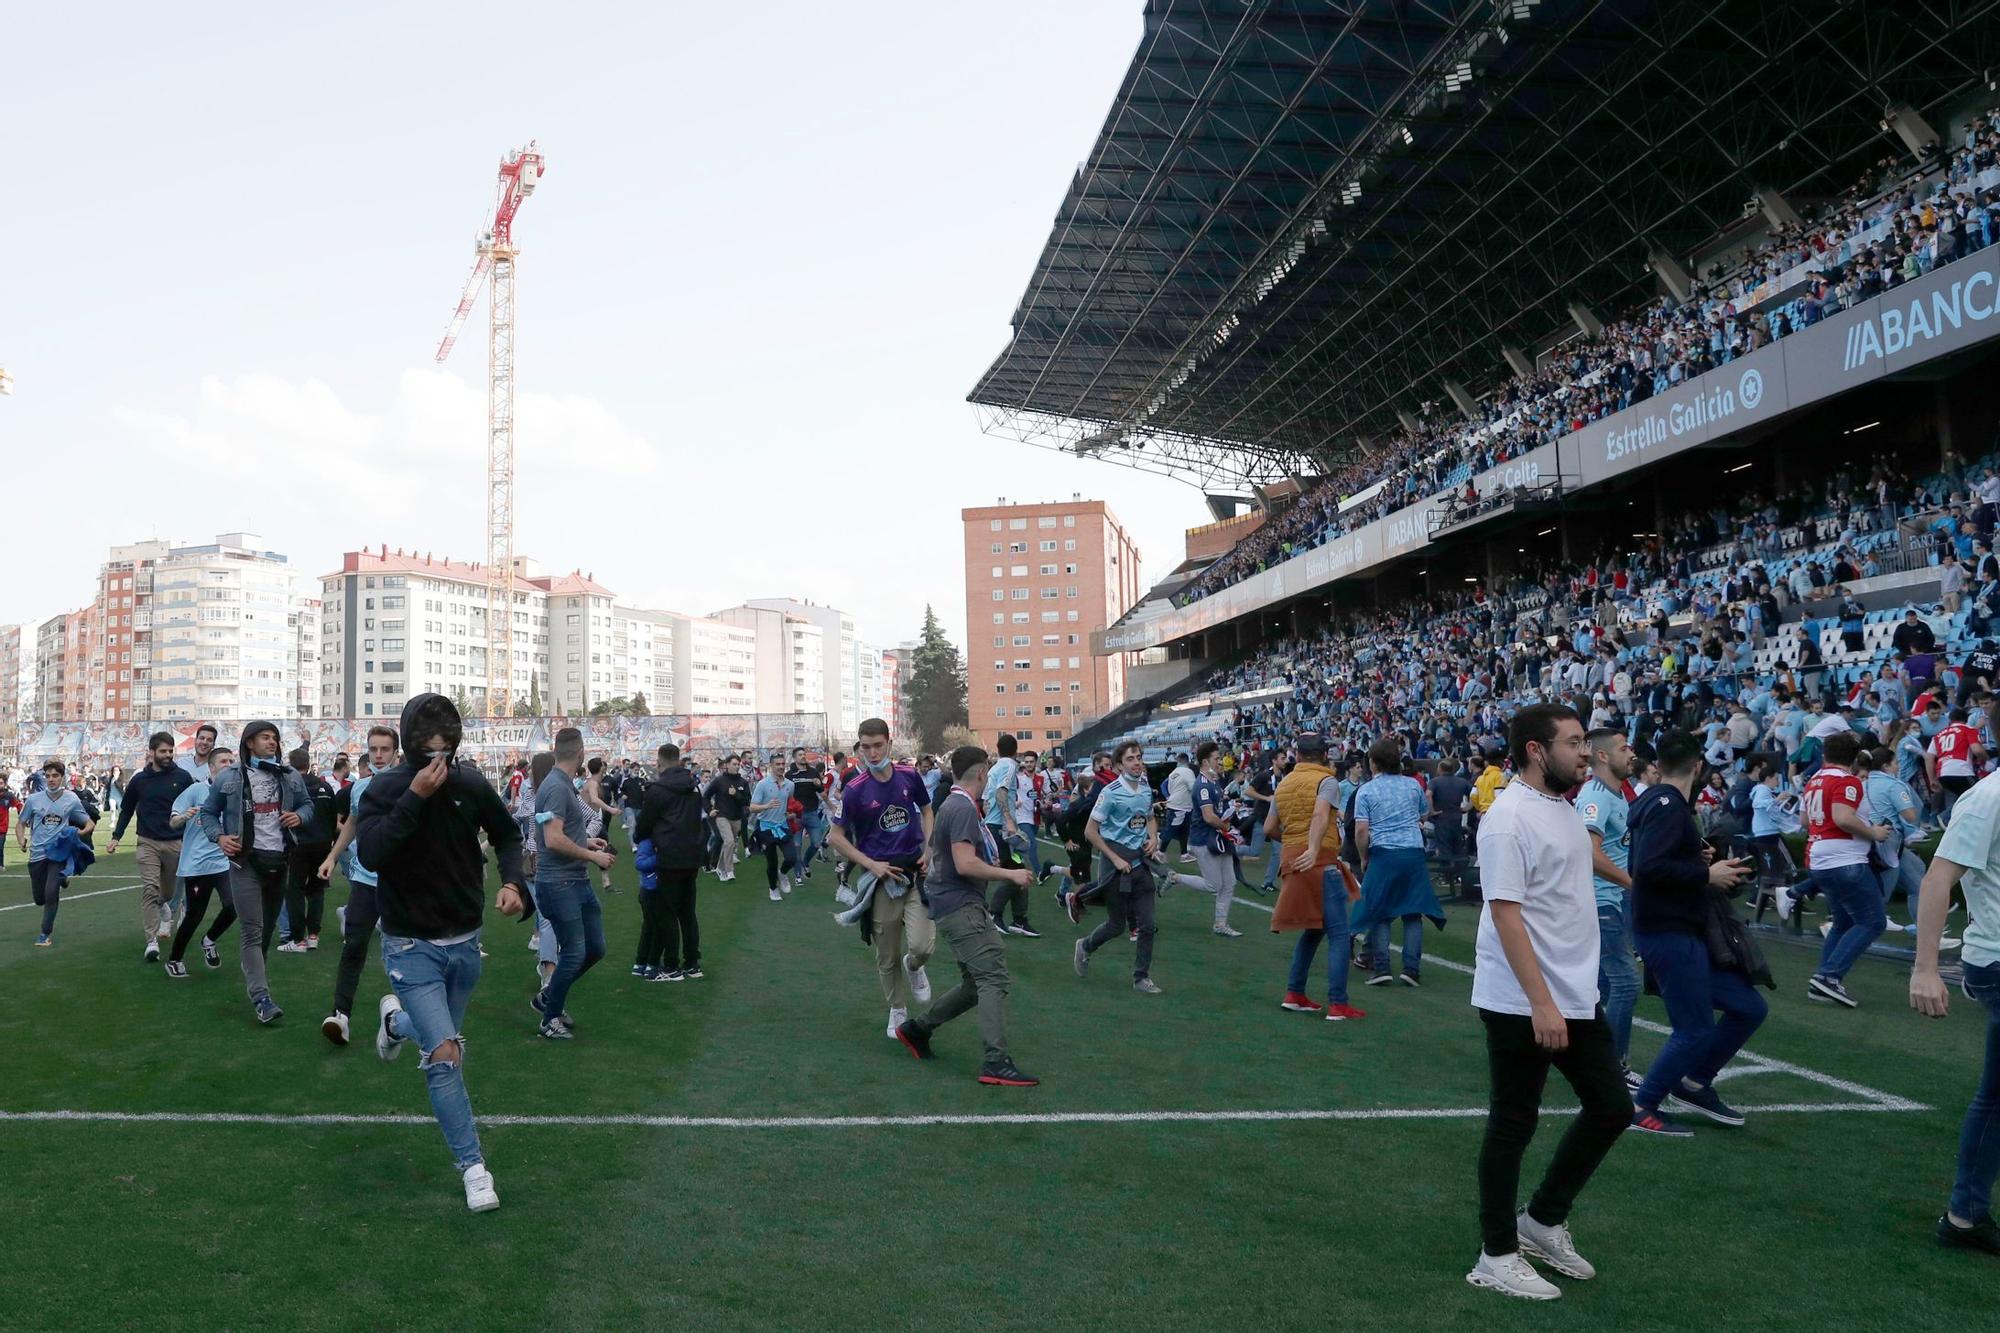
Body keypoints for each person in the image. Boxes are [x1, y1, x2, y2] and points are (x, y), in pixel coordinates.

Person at [1466, 704, 1632, 1302]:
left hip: (1573, 993)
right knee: (1514, 1120)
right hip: (1521, 998)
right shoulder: (1508, 817)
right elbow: (1504, 914)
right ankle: (1496, 1254)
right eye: (1575, 742)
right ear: (1537, 750)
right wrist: (1541, 1005)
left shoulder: (1561, 808)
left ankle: (1540, 1219)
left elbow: (1582, 864)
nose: (1586, 752)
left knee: (1612, 1107)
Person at [355, 692, 530, 1213]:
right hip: (410, 946)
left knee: (438, 1037)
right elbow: (373, 853)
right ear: (410, 747)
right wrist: (413, 795)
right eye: (428, 752)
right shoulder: (383, 789)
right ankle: (474, 1169)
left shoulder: (471, 784)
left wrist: (516, 884)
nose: (438, 762)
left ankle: (394, 1025)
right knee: (446, 1057)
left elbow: (507, 835)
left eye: (446, 752)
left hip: (466, 943)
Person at [1626, 732, 1761, 1137]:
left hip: (1678, 929)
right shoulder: (1668, 805)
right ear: (1699, 766)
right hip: (1668, 930)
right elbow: (1649, 869)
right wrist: (1707, 873)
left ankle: (1694, 1083)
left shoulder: (1659, 801)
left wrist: (1697, 860)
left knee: (1749, 1007)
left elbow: (1656, 860)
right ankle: (1642, 1105)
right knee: (1695, 1029)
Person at [891, 744, 1038, 1086]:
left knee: (975, 984)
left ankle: (916, 1029)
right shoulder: (961, 807)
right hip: (960, 905)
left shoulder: (956, 804)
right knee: (993, 979)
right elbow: (964, 862)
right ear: (983, 772)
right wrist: (1010, 875)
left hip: (954, 902)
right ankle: (995, 1061)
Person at [1909, 769, 2000, 1255]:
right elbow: (1937, 877)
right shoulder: (1989, 797)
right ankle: (1964, 1214)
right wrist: (1925, 968)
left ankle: (1965, 1216)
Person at [197, 721, 313, 1024]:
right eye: (265, 737)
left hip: (279, 861)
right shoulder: (230, 777)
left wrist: (298, 817)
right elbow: (208, 813)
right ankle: (262, 998)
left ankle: (254, 977)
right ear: (250, 743)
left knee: (267, 931)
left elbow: (308, 806)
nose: (272, 742)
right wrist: (220, 837)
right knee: (252, 930)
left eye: (275, 738)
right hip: (245, 862)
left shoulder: (289, 776)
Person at [827, 718, 936, 1038]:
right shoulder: (855, 790)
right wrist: (871, 864)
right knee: (886, 954)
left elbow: (927, 810)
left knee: (922, 946)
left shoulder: (909, 776)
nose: (872, 753)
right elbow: (836, 836)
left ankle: (915, 966)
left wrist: (928, 849)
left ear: (889, 743)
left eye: (878, 746)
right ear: (859, 748)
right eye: (866, 747)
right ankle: (897, 1009)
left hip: (915, 873)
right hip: (881, 880)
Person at [1269, 732, 1364, 1021]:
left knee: (1314, 928)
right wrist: (1311, 847)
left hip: (1292, 858)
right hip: (1320, 859)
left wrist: (1293, 844)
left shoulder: (1284, 783)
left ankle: (1295, 993)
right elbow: (1321, 815)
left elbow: (1269, 828)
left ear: (1297, 755)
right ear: (1324, 755)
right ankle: (1338, 1003)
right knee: (1338, 933)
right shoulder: (1327, 781)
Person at [530, 727, 616, 1038]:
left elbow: (553, 833)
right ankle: (549, 1019)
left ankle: (548, 997)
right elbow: (552, 840)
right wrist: (592, 857)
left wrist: (586, 842)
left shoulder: (560, 784)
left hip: (574, 881)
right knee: (576, 952)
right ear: (580, 753)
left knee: (595, 948)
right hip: (559, 883)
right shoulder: (555, 787)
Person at [316, 726, 397, 1043]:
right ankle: (340, 1016)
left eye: (385, 749)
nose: (378, 755)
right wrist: (332, 857)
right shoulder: (360, 787)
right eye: (374, 749)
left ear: (395, 752)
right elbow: (351, 823)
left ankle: (400, 1016)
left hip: (401, 883)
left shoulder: (410, 784)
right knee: (354, 946)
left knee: (403, 950)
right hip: (365, 879)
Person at [1802, 730, 1894, 1008]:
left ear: (1824, 754)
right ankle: (1829, 976)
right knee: (1873, 921)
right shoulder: (1848, 781)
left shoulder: (1814, 780)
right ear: (1854, 757)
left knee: (1843, 922)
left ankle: (1824, 977)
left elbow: (1805, 821)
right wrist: (1874, 833)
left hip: (1820, 858)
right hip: (1845, 859)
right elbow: (1843, 818)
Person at [1349, 736, 1444, 987]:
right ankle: (1411, 970)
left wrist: (1363, 856)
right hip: (1412, 852)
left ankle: (1381, 967)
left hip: (1384, 852)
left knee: (1380, 911)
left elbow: (1361, 830)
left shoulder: (1366, 790)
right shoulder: (1412, 785)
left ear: (1373, 762)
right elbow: (1424, 813)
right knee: (1412, 911)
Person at [1576, 729, 1639, 1086]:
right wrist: (1632, 883)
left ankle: (1588, 1058)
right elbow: (1590, 851)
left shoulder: (1617, 795)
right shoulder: (1596, 796)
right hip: (1600, 900)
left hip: (1612, 899)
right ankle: (1612, 1067)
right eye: (1623, 747)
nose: (1631, 753)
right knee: (1626, 982)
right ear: (1602, 756)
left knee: (1598, 987)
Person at [1077, 740, 1165, 994]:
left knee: (1147, 925)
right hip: (1115, 865)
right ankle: (1085, 946)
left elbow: (1150, 819)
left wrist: (1154, 838)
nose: (1136, 762)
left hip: (1139, 865)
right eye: (1130, 759)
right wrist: (1114, 858)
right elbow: (1090, 832)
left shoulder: (1146, 787)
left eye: (1138, 757)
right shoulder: (1110, 792)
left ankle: (1141, 977)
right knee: (1117, 925)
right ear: (1118, 766)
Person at [106, 730, 194, 962]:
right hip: (147, 841)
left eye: (170, 751)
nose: (167, 755)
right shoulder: (139, 780)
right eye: (163, 751)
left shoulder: (183, 778)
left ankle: (165, 905)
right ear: (152, 752)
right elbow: (126, 811)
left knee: (167, 893)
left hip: (174, 842)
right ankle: (151, 941)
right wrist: (116, 837)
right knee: (149, 889)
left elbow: (192, 808)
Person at [633, 743, 705, 983]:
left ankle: (672, 966)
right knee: (687, 912)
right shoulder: (694, 787)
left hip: (668, 857)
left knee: (666, 913)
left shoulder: (658, 790)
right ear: (679, 760)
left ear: (659, 762)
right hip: (692, 856)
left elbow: (643, 825)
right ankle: (692, 963)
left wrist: (641, 838)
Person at [165, 747, 237, 976]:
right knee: (194, 916)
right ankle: (174, 959)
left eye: (232, 761)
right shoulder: (196, 790)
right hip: (197, 865)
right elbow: (173, 821)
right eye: (224, 761)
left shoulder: (236, 792)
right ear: (212, 767)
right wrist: (184, 817)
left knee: (234, 906)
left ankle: (209, 940)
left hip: (224, 862)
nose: (229, 764)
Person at [19, 759, 95, 947]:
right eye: (48, 776)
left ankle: (45, 933)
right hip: (37, 854)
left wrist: (79, 832)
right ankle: (63, 879)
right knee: (40, 898)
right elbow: (20, 823)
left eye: (55, 776)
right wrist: (21, 840)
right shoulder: (33, 800)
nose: (51, 779)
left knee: (51, 892)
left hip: (59, 852)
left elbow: (88, 823)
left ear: (62, 777)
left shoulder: (71, 799)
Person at [278, 748, 338, 953]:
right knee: (316, 889)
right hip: (322, 844)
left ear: (290, 764)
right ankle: (313, 935)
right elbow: (333, 819)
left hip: (298, 845)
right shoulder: (324, 786)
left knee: (294, 890)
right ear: (309, 762)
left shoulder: (290, 787)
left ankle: (298, 939)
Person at [982, 734, 1037, 935]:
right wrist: (1009, 820)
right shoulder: (1010, 765)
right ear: (1016, 750)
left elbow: (987, 800)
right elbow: (1001, 792)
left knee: (1020, 870)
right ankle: (995, 914)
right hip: (1002, 829)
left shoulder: (993, 767)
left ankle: (1018, 919)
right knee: (1017, 873)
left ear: (997, 749)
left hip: (993, 826)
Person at [1187, 742, 1242, 936]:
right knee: (1213, 885)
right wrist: (1227, 827)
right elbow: (1209, 816)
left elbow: (1217, 812)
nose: (1220, 762)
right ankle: (1175, 877)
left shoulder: (1213, 781)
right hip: (1205, 839)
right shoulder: (1202, 785)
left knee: (1230, 882)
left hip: (1217, 838)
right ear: (1205, 762)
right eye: (1217, 759)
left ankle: (1220, 924)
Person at [749, 754, 798, 902]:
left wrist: (790, 813)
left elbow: (790, 802)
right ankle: (773, 889)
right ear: (771, 765)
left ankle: (782, 874)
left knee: (791, 857)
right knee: (772, 862)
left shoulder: (790, 784)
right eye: (778, 764)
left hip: (782, 826)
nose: (781, 767)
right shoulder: (762, 784)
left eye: (783, 764)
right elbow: (752, 808)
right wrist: (767, 806)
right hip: (766, 829)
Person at [703, 754, 751, 883]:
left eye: (737, 764)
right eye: (734, 764)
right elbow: (705, 796)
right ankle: (729, 870)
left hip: (737, 817)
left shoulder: (743, 782)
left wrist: (736, 795)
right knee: (729, 841)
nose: (736, 767)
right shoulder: (719, 781)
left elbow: (747, 801)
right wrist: (709, 810)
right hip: (721, 815)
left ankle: (719, 867)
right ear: (727, 765)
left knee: (729, 844)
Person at [1162, 751, 1197, 859]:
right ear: (1187, 760)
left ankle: (1184, 854)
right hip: (1180, 806)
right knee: (1171, 830)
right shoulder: (1188, 772)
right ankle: (1160, 852)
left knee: (1183, 831)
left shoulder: (1173, 772)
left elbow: (1169, 788)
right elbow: (1193, 788)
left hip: (1179, 805)